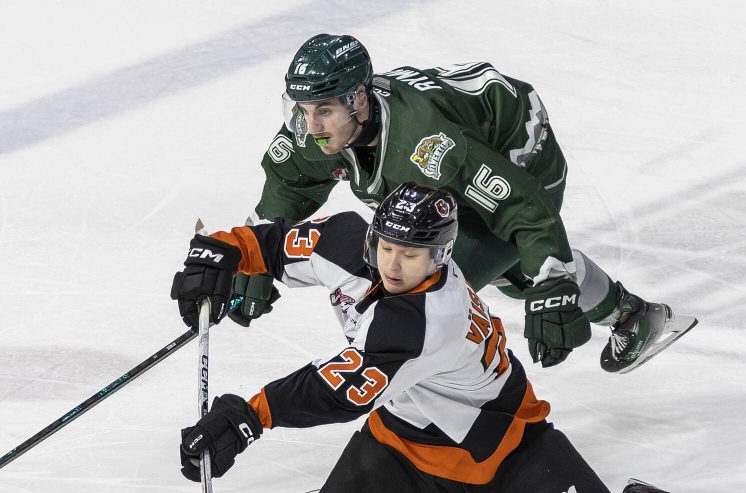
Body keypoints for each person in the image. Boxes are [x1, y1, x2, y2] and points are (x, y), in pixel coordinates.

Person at [173, 183, 725, 493]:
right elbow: (275, 244)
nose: (392, 263)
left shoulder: (426, 321)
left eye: (410, 254)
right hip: (402, 447)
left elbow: (337, 390)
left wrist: (247, 417)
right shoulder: (349, 239)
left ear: (440, 255)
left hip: (504, 449)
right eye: (385, 246)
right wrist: (224, 249)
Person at [243, 33, 696, 373]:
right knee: (494, 274)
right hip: (454, 154)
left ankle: (625, 314)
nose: (311, 123)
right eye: (301, 109)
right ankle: (631, 314)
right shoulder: (317, 127)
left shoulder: (426, 144)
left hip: (518, 147)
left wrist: (553, 280)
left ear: (358, 100)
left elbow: (520, 204)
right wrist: (250, 255)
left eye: (323, 109)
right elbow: (289, 185)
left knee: (441, 283)